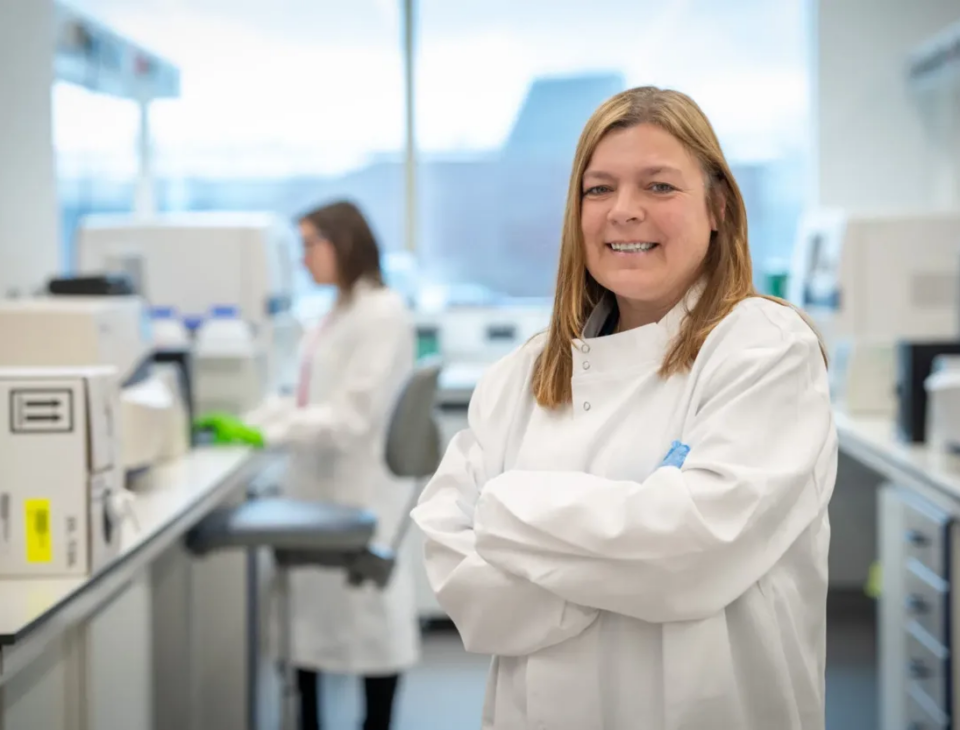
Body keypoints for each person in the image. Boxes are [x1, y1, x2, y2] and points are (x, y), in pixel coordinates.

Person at [410, 86, 838, 730]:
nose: (625, 212)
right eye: (599, 189)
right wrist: (618, 570)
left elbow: (692, 554)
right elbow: (452, 562)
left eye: (660, 187)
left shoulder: (764, 349)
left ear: (719, 205)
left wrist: (506, 509)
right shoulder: (522, 374)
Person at [250, 200, 421, 730]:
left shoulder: (382, 312)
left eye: (308, 245)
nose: (302, 260)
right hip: (318, 484)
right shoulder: (337, 310)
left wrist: (274, 429)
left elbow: (352, 416)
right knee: (310, 625)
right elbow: (309, 397)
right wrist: (263, 416)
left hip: (355, 488)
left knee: (367, 627)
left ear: (342, 242)